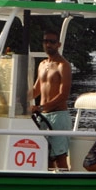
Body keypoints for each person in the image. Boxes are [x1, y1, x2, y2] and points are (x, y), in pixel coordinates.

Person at [31, 29, 72, 169]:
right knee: (45, 154)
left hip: (58, 116)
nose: (48, 44)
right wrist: (18, 101)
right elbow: (36, 89)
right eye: (45, 41)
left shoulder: (63, 65)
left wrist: (42, 107)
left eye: (52, 42)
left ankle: (65, 186)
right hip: (42, 116)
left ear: (58, 44)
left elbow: (64, 95)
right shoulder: (42, 64)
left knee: (60, 157)